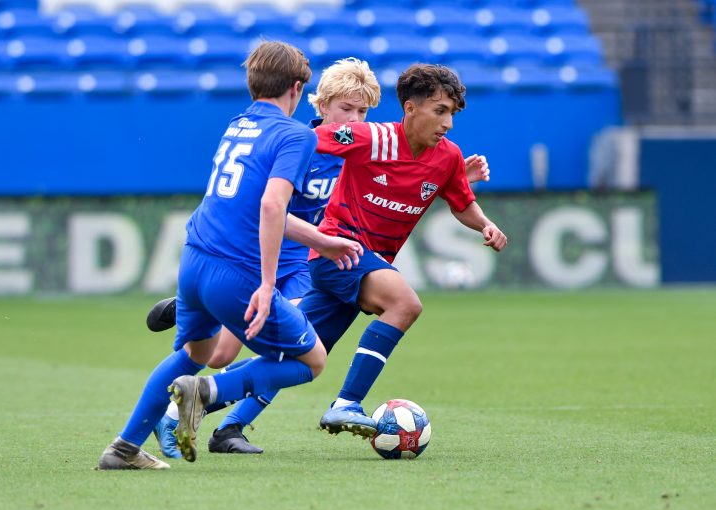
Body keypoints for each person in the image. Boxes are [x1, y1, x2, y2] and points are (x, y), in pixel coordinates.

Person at [146, 61, 492, 455]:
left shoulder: (366, 146)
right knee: (226, 352)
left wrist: (453, 175)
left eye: (363, 111)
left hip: (318, 254)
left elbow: (402, 179)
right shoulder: (305, 144)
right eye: (347, 109)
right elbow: (268, 203)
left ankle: (205, 420)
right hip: (281, 250)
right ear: (322, 106)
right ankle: (209, 312)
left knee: (296, 356)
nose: (357, 118)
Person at [97, 41, 364, 470]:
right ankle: (203, 395)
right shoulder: (295, 134)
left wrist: (318, 241)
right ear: (298, 89)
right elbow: (272, 205)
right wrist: (264, 282)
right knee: (311, 359)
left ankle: (124, 449)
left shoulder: (238, 123)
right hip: (235, 272)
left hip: (194, 260)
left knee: (196, 354)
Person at [302, 63, 508, 438]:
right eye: (440, 111)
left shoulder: (447, 156)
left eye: (452, 114)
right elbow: (310, 141)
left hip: (363, 262)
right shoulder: (373, 137)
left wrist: (486, 224)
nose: (448, 123)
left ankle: (204, 396)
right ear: (410, 108)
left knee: (297, 356)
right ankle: (347, 403)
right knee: (405, 304)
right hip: (340, 250)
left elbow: (461, 202)